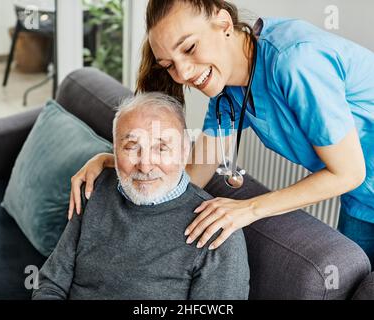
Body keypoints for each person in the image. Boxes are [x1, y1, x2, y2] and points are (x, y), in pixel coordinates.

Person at [69, 0, 374, 266]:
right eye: (169, 65)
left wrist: (248, 209)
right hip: (361, 201)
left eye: (189, 48)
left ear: (223, 22)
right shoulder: (226, 96)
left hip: (355, 181)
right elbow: (192, 175)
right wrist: (111, 160)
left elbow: (348, 172)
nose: (185, 74)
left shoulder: (295, 61)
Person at [32, 93, 249, 300]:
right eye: (131, 147)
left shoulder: (218, 230)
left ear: (184, 152)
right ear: (115, 152)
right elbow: (51, 283)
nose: (145, 166)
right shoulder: (95, 188)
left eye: (162, 148)